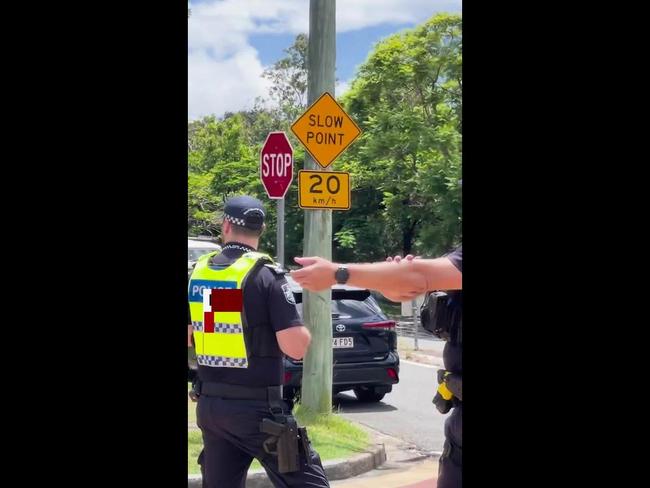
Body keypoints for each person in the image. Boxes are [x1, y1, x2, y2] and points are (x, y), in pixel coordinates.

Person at [188, 195, 330, 488]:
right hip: (260, 413)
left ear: (225, 225)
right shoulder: (266, 276)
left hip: (212, 408)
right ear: (261, 229)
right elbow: (295, 346)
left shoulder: (200, 273)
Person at [291, 246, 462, 488]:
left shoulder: (234, 274)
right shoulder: (254, 274)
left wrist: (337, 273)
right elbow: (412, 283)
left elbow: (418, 277)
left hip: (234, 398)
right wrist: (393, 277)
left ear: (226, 226)